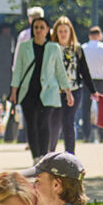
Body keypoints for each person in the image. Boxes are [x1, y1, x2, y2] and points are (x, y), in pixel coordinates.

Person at [8, 15, 72, 162]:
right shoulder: (24, 47)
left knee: (43, 123)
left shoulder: (53, 47)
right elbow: (18, 70)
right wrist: (14, 90)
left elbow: (60, 71)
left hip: (48, 92)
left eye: (42, 27)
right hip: (28, 91)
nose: (38, 30)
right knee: (31, 124)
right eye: (36, 27)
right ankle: (36, 156)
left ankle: (44, 156)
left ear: (47, 30)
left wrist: (67, 91)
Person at [50, 17, 93, 153]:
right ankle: (49, 153)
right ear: (56, 33)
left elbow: (84, 71)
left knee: (68, 121)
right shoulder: (51, 48)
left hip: (74, 90)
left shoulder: (77, 49)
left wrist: (93, 90)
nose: (63, 34)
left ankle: (70, 154)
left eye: (65, 31)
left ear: (70, 32)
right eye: (60, 31)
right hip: (55, 91)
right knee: (54, 122)